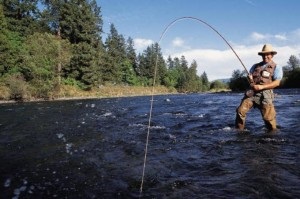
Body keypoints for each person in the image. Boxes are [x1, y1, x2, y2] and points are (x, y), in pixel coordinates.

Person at [235, 44, 283, 132]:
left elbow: (277, 83)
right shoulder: (255, 66)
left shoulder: (277, 67)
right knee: (240, 111)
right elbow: (249, 79)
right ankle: (239, 131)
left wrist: (262, 86)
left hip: (266, 95)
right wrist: (250, 79)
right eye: (264, 54)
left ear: (272, 55)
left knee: (268, 118)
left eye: (268, 54)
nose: (265, 56)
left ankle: (273, 134)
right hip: (252, 92)